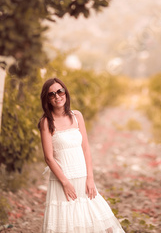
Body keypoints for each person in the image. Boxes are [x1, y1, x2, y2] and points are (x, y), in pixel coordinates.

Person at [38, 77, 125, 233]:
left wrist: (90, 178)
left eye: (60, 91)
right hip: (63, 181)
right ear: (47, 99)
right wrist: (64, 182)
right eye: (52, 94)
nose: (57, 96)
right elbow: (49, 158)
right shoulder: (46, 122)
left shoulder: (77, 116)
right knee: (70, 225)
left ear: (65, 92)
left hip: (83, 177)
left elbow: (85, 148)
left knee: (104, 225)